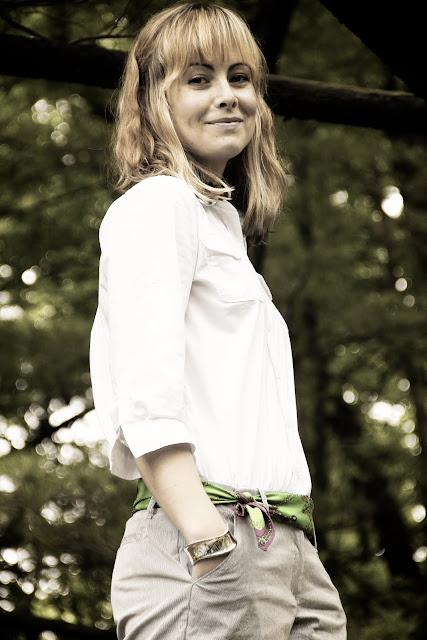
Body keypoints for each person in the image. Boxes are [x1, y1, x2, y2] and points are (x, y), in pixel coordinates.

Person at [89, 2, 347, 639]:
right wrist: (208, 540)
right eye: (199, 79)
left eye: (241, 77)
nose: (228, 95)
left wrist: (289, 556)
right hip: (211, 539)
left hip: (284, 542)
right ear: (155, 100)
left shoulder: (219, 227)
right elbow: (145, 395)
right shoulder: (159, 205)